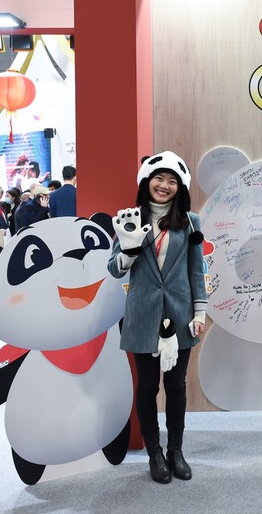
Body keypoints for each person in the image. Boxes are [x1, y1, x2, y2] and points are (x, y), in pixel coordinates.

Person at [107, 151, 207, 484]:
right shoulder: (129, 218)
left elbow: (196, 269)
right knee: (148, 386)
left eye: (172, 180)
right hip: (142, 315)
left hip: (180, 316)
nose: (164, 185)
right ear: (146, 181)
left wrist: (200, 310)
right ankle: (154, 453)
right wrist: (129, 248)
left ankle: (176, 451)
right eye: (158, 178)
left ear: (181, 186)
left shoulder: (191, 221)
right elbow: (113, 269)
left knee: (176, 387)